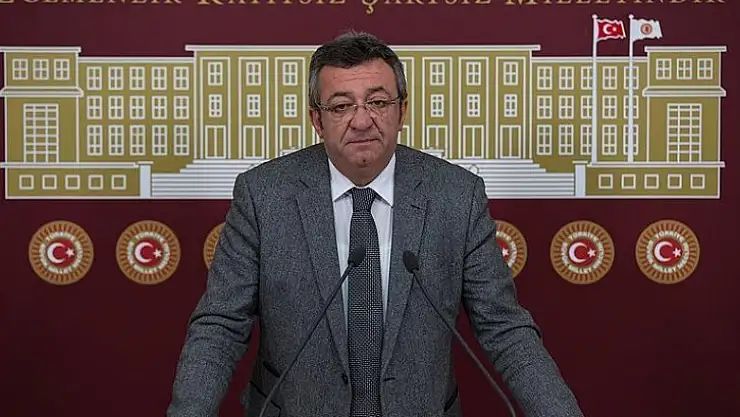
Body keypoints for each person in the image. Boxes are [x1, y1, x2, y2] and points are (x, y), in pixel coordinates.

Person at [166, 31, 584, 417]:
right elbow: (220, 326)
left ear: (402, 110)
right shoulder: (263, 196)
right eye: (341, 106)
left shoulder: (457, 195)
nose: (362, 120)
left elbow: (505, 328)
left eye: (378, 102)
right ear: (317, 120)